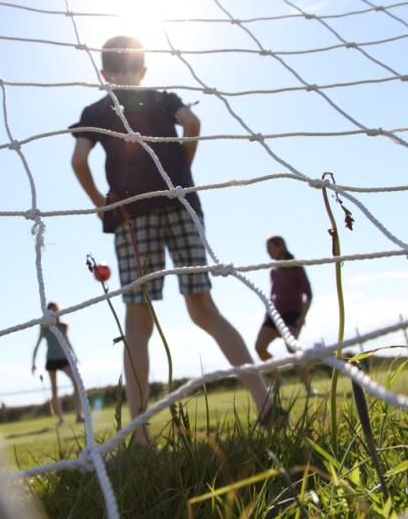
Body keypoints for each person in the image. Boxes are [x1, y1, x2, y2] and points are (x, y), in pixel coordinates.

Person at [70, 36, 276, 446]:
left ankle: (141, 436)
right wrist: (180, 172)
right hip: (181, 206)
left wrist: (100, 204)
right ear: (143, 70)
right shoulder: (164, 99)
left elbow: (78, 160)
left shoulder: (96, 110)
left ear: (104, 74)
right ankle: (265, 402)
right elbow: (195, 124)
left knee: (138, 320)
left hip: (133, 214)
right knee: (204, 309)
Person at [255, 235, 315, 395]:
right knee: (259, 347)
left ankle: (309, 388)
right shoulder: (273, 271)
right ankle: (277, 379)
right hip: (274, 314)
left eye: (270, 247)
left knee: (292, 348)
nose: (267, 251)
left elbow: (308, 295)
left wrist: (302, 317)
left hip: (292, 313)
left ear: (280, 246)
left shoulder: (296, 266)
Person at [31, 302, 85, 425]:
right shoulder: (44, 327)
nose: (53, 313)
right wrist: (33, 363)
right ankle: (61, 419)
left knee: (77, 383)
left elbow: (68, 341)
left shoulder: (63, 326)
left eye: (55, 310)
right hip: (51, 360)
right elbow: (37, 345)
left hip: (63, 359)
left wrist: (75, 356)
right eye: (51, 311)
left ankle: (79, 414)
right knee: (54, 390)